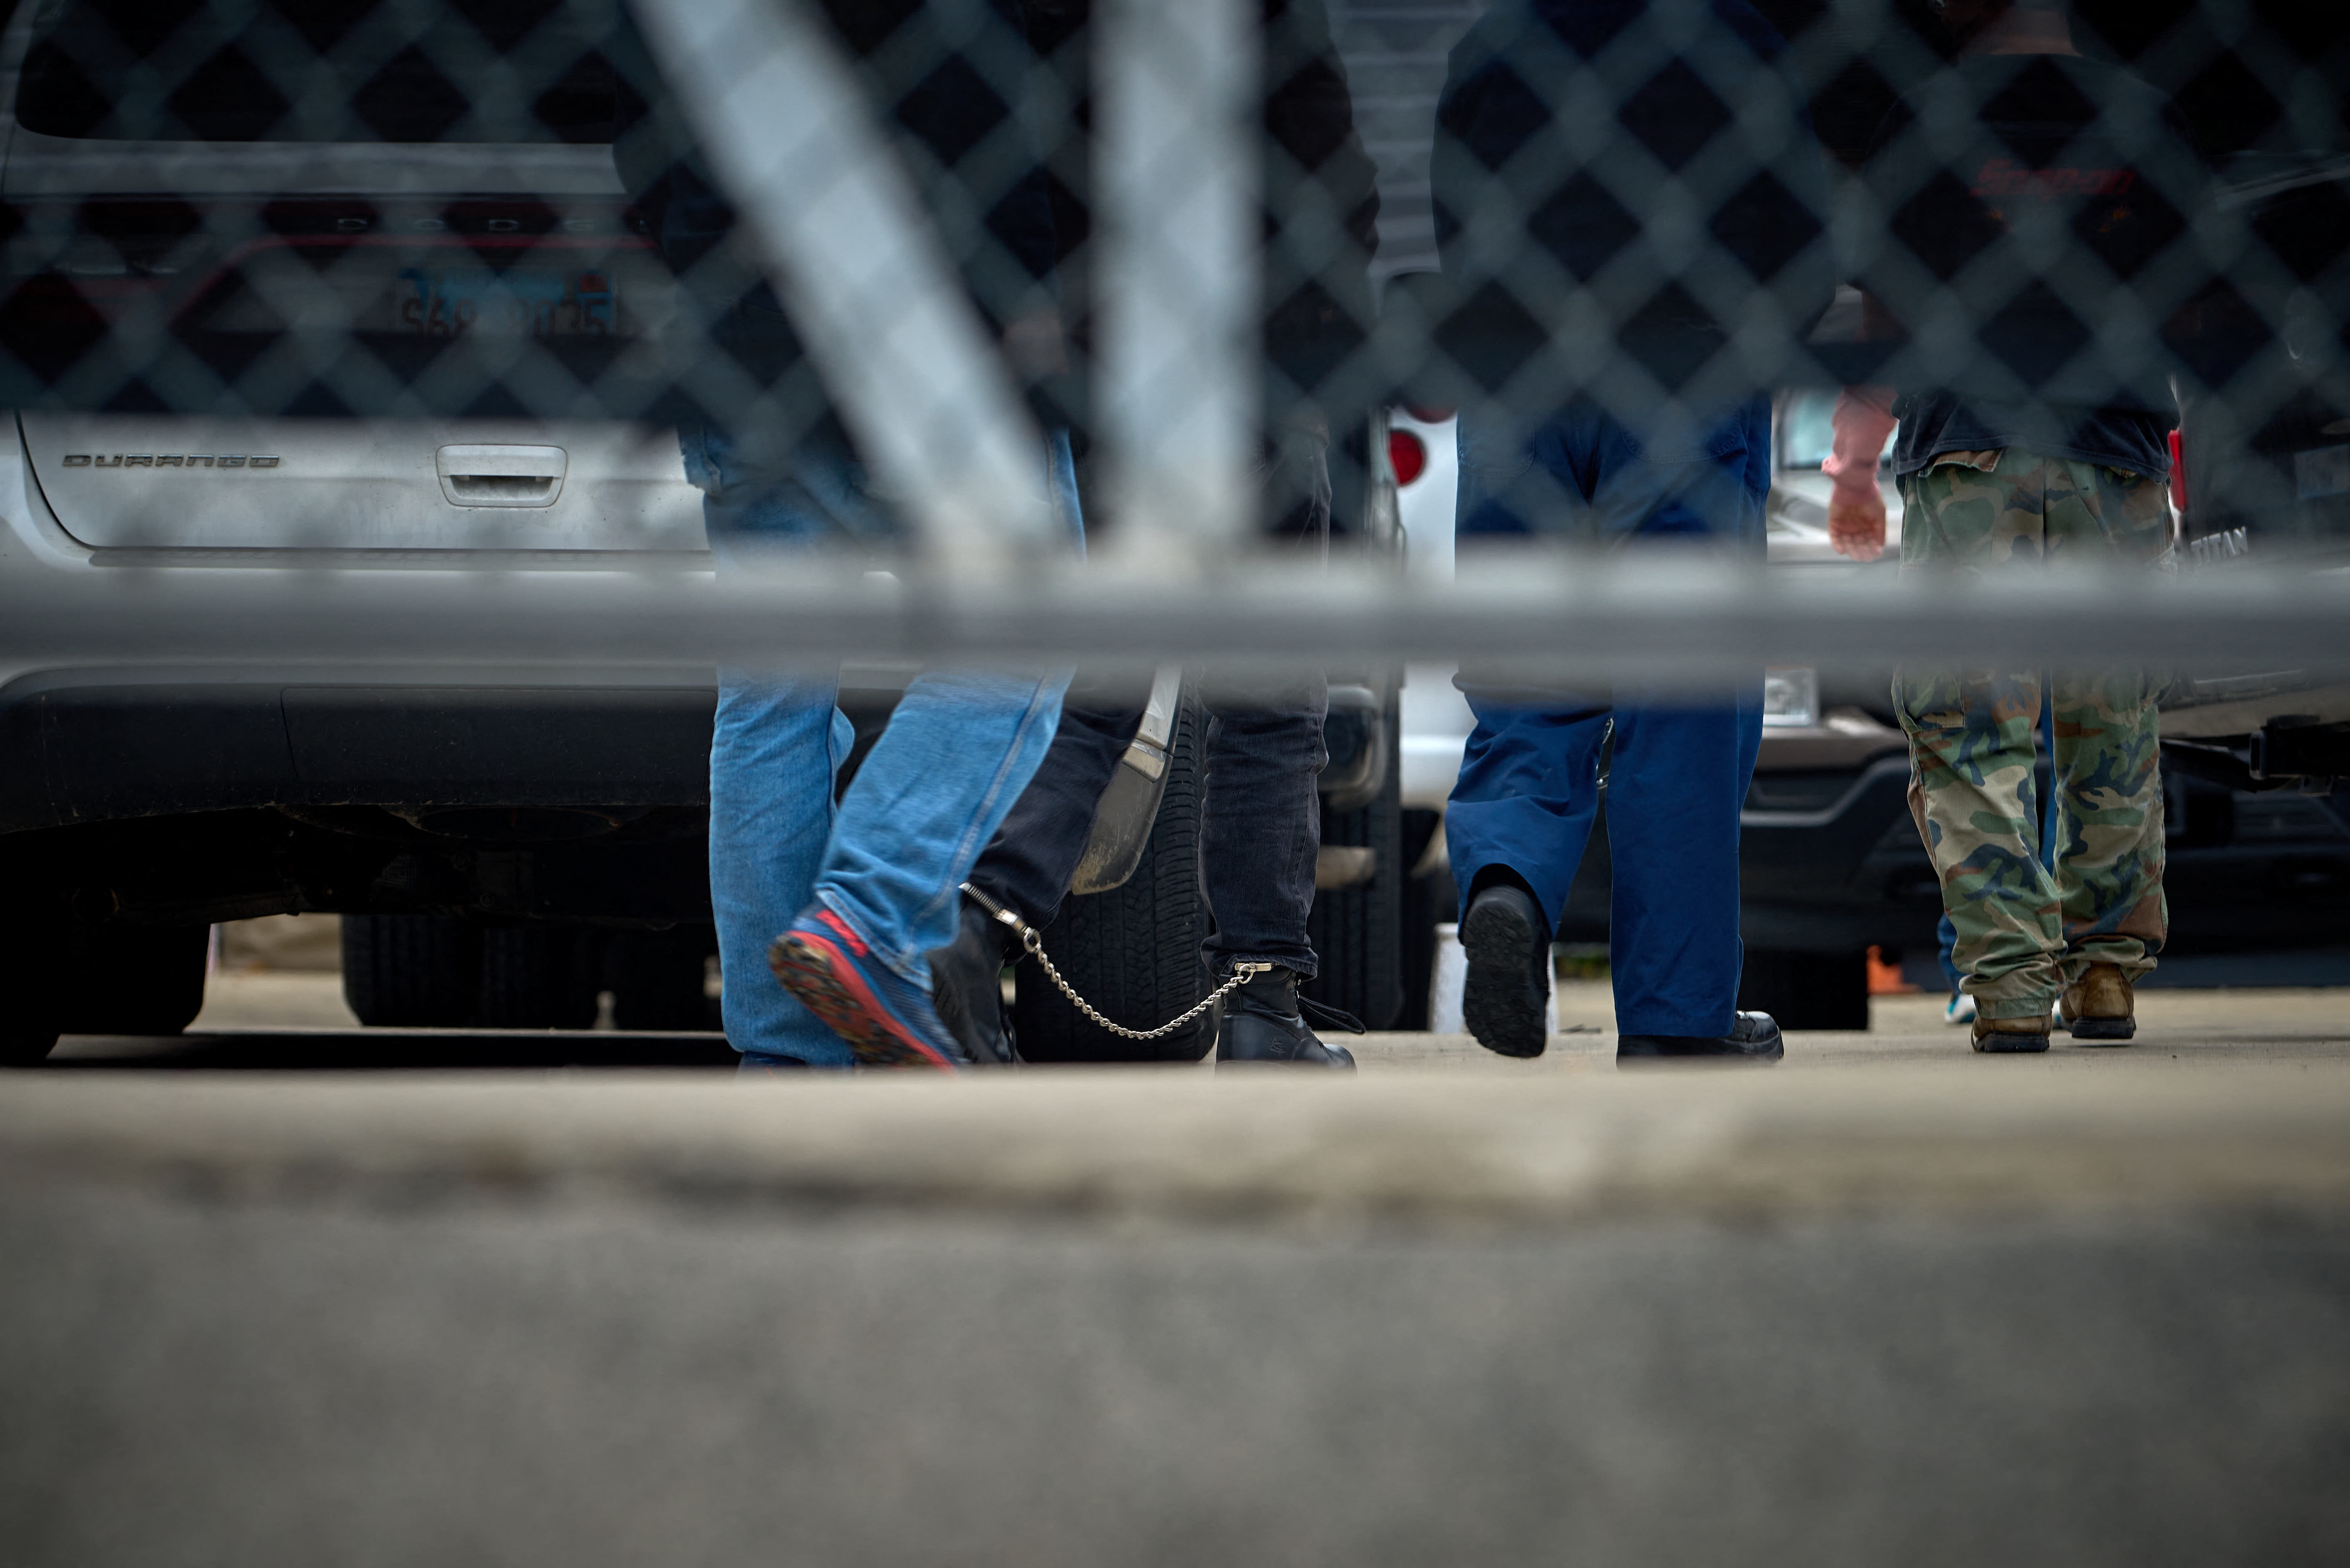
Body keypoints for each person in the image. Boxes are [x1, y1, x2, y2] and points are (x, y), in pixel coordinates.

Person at [615, 1, 1075, 1070]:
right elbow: (1013, 85)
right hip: (931, 315)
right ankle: (869, 910)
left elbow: (632, 100)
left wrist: (694, 247)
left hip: (735, 312)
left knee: (772, 691)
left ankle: (783, 1054)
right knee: (1032, 624)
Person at [926, 0, 1383, 1070]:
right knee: (1269, 699)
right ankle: (1265, 1001)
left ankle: (981, 917)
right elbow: (1330, 162)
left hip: (1104, 356)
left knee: (1105, 669)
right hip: (1246, 353)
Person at [1428, 0, 1833, 1064]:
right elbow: (1804, 234)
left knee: (1525, 673)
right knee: (1683, 700)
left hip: (1513, 373)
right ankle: (1674, 1015)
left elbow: (1445, 222)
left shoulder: (1494, 40)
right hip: (1684, 365)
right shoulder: (1739, 34)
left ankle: (1506, 882)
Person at [1828, 0, 2203, 1051]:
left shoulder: (1924, 119)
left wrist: (1855, 463)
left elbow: (1884, 313)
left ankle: (2004, 987)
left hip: (1968, 449)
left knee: (1966, 727)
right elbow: (2200, 306)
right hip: (2114, 453)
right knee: (2112, 726)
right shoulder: (2146, 119)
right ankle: (2102, 977)